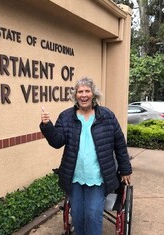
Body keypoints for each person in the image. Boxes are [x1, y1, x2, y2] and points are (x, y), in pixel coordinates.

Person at [40, 77, 132, 235]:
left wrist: (125, 169)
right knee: (77, 215)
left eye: (87, 91)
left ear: (93, 94)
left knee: (93, 214)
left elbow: (119, 144)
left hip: (98, 177)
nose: (83, 95)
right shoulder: (66, 117)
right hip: (75, 177)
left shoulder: (107, 116)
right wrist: (47, 126)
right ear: (75, 95)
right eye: (80, 91)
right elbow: (57, 141)